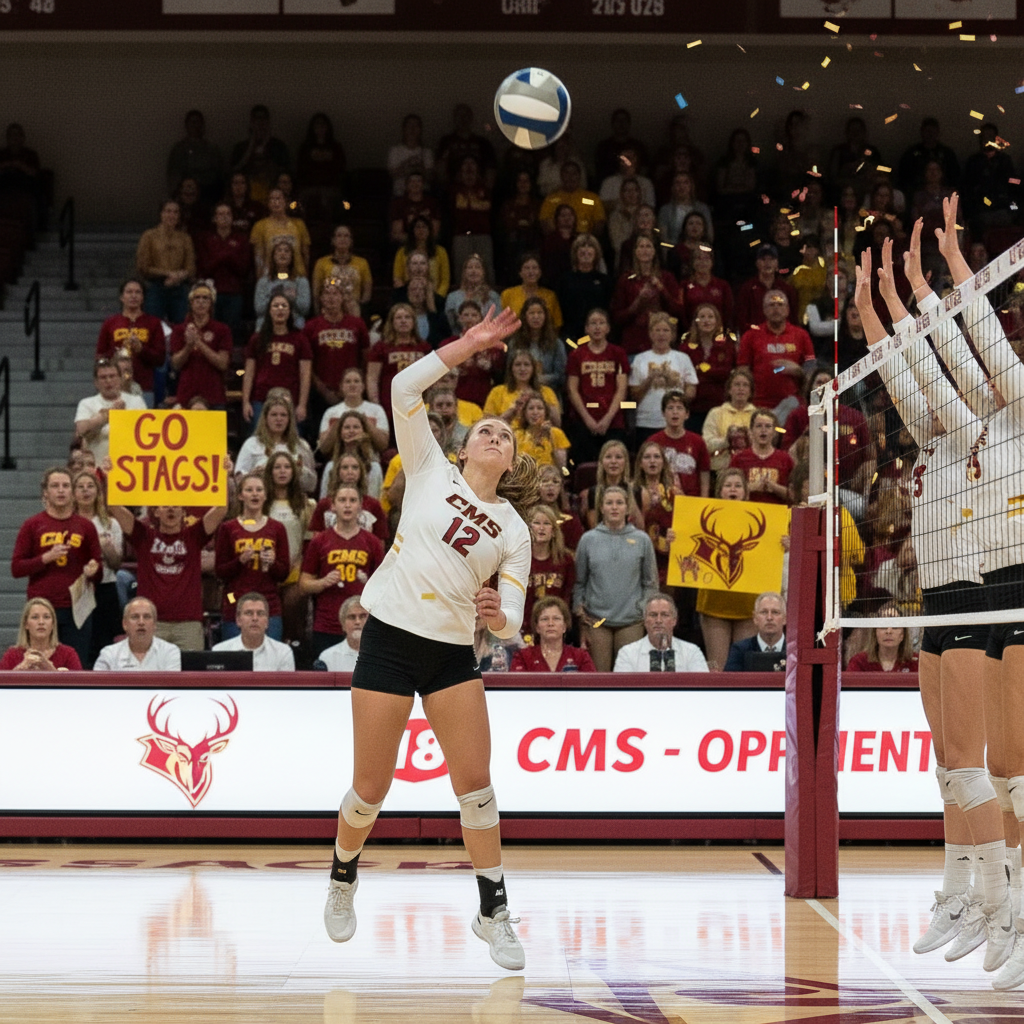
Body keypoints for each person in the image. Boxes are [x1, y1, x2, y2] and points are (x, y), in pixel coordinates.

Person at [322, 307, 535, 972]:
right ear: (466, 447)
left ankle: (493, 910)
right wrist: (465, 347)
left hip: (449, 655)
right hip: (387, 639)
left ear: (513, 459)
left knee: (476, 788)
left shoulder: (513, 530)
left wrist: (498, 613)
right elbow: (402, 390)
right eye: (487, 430)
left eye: (506, 435)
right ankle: (342, 875)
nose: (496, 436)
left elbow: (516, 624)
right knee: (368, 791)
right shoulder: (428, 468)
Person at [855, 208, 1016, 977]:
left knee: (1006, 766)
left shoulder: (1013, 415)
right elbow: (908, 366)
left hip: (1009, 592)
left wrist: (931, 279)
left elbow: (971, 338)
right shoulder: (953, 433)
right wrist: (875, 307)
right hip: (950, 595)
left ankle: (1010, 907)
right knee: (954, 762)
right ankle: (972, 896)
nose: (980, 374)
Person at [108, 474, 230, 652]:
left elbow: (221, 508)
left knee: (190, 678)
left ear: (184, 511)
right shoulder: (144, 536)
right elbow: (114, 507)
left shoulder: (193, 536)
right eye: (165, 506)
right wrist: (111, 473)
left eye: (176, 506)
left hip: (188, 624)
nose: (171, 510)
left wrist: (223, 474)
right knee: (151, 677)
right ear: (156, 511)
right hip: (152, 623)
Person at [11, 467, 102, 666]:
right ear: (46, 492)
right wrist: (46, 558)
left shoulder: (86, 526)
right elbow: (16, 568)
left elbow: (99, 571)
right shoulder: (32, 525)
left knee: (76, 665)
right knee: (37, 663)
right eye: (55, 486)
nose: (61, 490)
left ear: (72, 492)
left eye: (65, 486)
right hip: (42, 608)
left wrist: (93, 570)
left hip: (77, 608)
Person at [573, 485, 659, 672]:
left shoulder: (642, 540)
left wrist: (642, 609)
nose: (614, 507)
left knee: (629, 681)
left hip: (631, 621)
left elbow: (651, 583)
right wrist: (581, 615)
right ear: (601, 507)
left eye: (619, 503)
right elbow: (580, 582)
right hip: (597, 621)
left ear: (627, 508)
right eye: (609, 503)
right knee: (598, 680)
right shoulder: (588, 540)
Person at [300, 484, 385, 657]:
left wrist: (367, 582)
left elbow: (386, 587)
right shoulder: (319, 541)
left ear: (360, 506)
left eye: (352, 500)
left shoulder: (373, 542)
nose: (347, 505)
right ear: (333, 506)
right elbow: (303, 585)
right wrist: (323, 582)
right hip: (327, 624)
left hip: (363, 624)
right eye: (342, 500)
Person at [694, 468, 761, 671]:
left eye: (738, 486)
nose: (733, 489)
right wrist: (675, 538)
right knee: (717, 667)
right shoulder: (702, 517)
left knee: (745, 666)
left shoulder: (761, 519)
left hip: (747, 603)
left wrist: (782, 544)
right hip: (714, 603)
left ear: (745, 492)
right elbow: (689, 552)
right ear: (720, 491)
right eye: (728, 485)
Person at [215, 473, 290, 641]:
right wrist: (239, 561)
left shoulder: (277, 528)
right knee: (237, 662)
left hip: (269, 604)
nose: (255, 494)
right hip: (234, 602)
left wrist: (272, 563)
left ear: (265, 495)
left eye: (259, 490)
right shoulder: (228, 528)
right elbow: (220, 572)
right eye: (249, 490)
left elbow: (284, 573)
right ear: (241, 496)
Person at [564, 308, 629, 464]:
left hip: (613, 420)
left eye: (601, 323)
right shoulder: (577, 355)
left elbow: (622, 389)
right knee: (584, 465)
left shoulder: (618, 353)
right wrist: (588, 419)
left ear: (608, 328)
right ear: (586, 329)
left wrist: (607, 419)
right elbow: (572, 389)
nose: (597, 327)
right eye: (593, 323)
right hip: (583, 420)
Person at [71, 469, 123, 666]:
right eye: (80, 487)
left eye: (90, 486)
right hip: (79, 589)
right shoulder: (68, 523)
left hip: (105, 588)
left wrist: (106, 547)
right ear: (74, 492)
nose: (86, 491)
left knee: (103, 643)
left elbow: (117, 564)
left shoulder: (111, 524)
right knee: (79, 643)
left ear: (98, 491)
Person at [737, 290, 816, 416]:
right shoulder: (750, 336)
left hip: (793, 404)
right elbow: (742, 371)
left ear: (788, 309)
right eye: (771, 305)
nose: (776, 309)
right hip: (758, 405)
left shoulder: (801, 335)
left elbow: (813, 373)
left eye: (780, 305)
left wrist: (798, 371)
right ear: (764, 310)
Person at [242, 291, 312, 428]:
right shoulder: (257, 339)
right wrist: (245, 402)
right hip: (261, 399)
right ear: (269, 311)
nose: (280, 309)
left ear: (290, 311)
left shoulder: (300, 339)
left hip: (291, 399)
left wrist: (302, 405)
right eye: (276, 306)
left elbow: (305, 375)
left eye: (284, 306)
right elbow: (249, 373)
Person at [628, 311, 697, 446]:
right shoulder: (640, 359)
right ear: (650, 333)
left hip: (675, 423)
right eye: (657, 330)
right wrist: (649, 380)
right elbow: (633, 396)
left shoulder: (683, 358)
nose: (661, 334)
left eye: (665, 330)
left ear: (672, 334)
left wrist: (674, 382)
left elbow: (691, 393)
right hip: (646, 422)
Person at [95, 278, 166, 408]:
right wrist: (117, 353)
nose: (133, 295)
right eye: (129, 292)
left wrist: (141, 349)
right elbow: (100, 356)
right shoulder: (110, 323)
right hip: (114, 388)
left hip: (144, 387)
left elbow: (160, 359)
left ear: (143, 297)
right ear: (122, 297)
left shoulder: (153, 323)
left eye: (138, 292)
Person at [611, 234, 685, 358]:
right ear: (635, 251)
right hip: (634, 344)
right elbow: (617, 317)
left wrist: (662, 290)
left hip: (662, 345)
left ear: (655, 251)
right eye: (641, 246)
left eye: (648, 246)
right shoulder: (625, 280)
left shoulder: (667, 278)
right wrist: (638, 301)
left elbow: (678, 310)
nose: (645, 250)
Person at [236, 389, 317, 493]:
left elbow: (311, 485)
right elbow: (238, 480)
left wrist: (300, 472)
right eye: (274, 415)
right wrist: (252, 475)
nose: (279, 419)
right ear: (265, 418)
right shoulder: (251, 444)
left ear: (290, 419)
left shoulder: (302, 446)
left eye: (283, 415)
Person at [169, 281, 233, 410]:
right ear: (191, 303)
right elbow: (175, 364)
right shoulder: (179, 330)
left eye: (205, 298)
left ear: (211, 303)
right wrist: (188, 346)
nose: (201, 302)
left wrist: (199, 343)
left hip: (214, 396)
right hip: (186, 395)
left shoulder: (222, 329)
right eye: (197, 298)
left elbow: (222, 363)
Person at [74, 358, 148, 464]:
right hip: (98, 468)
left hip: (130, 466)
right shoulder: (87, 403)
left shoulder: (136, 401)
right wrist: (109, 414)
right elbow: (81, 430)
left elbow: (145, 432)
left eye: (112, 376)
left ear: (120, 379)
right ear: (96, 382)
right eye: (103, 377)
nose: (108, 381)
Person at [195, 201, 253, 333]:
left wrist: (220, 256)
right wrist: (227, 255)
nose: (224, 217)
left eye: (228, 214)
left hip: (234, 292)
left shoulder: (241, 240)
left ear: (232, 218)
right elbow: (205, 267)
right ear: (214, 218)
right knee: (210, 331)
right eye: (220, 214)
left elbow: (244, 268)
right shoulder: (206, 239)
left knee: (231, 331)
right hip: (211, 292)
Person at [136, 199, 195, 325]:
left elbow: (191, 267)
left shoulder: (185, 238)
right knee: (152, 326)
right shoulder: (149, 236)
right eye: (168, 211)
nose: (171, 215)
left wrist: (179, 276)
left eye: (175, 212)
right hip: (156, 286)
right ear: (161, 214)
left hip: (178, 287)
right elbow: (143, 266)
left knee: (181, 327)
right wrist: (168, 274)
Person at [613, 594, 709, 673]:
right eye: (653, 615)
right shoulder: (627, 653)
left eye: (664, 615)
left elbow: (702, 690)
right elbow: (623, 693)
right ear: (645, 621)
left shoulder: (692, 652)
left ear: (674, 620)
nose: (658, 620)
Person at [522, 504, 575, 636]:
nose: (541, 528)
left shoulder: (565, 560)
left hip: (554, 629)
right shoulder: (517, 558)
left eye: (546, 523)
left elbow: (568, 595)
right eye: (536, 523)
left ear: (553, 531)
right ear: (528, 528)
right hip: (521, 629)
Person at [648, 390, 710, 498]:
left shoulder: (698, 441)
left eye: (679, 408)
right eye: (670, 408)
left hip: (690, 500)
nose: (675, 412)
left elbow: (704, 474)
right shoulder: (653, 441)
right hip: (660, 499)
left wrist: (703, 500)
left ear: (687, 414)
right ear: (663, 413)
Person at [211, 591, 294, 671]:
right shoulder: (219, 651)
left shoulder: (283, 653)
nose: (255, 618)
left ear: (267, 622)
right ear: (238, 620)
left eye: (260, 613)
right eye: (249, 613)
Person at [510, 597, 594, 672]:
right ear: (537, 627)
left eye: (556, 619)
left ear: (565, 626)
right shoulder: (523, 657)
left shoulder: (581, 656)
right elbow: (515, 687)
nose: (550, 623)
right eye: (544, 619)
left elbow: (592, 687)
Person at [729, 407, 793, 506]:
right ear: (751, 431)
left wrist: (775, 487)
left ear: (774, 432)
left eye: (768, 426)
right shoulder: (739, 459)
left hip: (777, 514)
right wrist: (750, 487)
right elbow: (728, 492)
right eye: (759, 426)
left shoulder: (785, 459)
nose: (763, 430)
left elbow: (794, 495)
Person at [483, 350, 561, 429]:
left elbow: (557, 424)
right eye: (518, 365)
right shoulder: (497, 392)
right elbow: (487, 425)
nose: (522, 368)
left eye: (527, 365)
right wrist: (511, 412)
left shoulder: (546, 392)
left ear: (533, 369)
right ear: (511, 368)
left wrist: (542, 401)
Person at [230, 105, 290, 205]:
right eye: (257, 119)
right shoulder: (241, 147)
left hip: (272, 193)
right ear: (251, 122)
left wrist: (266, 145)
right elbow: (234, 171)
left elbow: (285, 172)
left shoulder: (279, 146)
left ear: (268, 122)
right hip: (248, 194)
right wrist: (251, 146)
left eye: (263, 119)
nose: (260, 123)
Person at [1, 597, 82, 671]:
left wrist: (50, 670)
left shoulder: (68, 654)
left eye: (46, 617)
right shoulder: (12, 655)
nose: (41, 622)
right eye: (35, 617)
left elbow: (80, 683)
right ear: (26, 624)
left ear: (53, 624)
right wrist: (22, 668)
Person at [557, 233, 611, 343]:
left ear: (596, 252)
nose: (586, 250)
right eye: (582, 246)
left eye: (590, 246)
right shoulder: (565, 280)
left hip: (598, 337)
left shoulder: (605, 281)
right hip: (571, 338)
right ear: (575, 252)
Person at [505, 296, 566, 392]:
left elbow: (561, 375)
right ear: (525, 316)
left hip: (548, 393)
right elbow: (509, 372)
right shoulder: (515, 343)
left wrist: (538, 379)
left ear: (546, 316)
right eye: (532, 313)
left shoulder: (556, 344)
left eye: (540, 313)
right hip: (519, 392)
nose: (536, 317)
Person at [735, 245, 799, 335]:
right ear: (757, 263)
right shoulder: (747, 289)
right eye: (763, 259)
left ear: (777, 263)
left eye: (771, 259)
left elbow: (793, 318)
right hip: (756, 338)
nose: (767, 263)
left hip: (783, 339)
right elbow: (742, 320)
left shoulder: (786, 289)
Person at [295, 112, 346, 224]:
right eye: (317, 125)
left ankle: (328, 230)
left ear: (328, 127)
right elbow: (301, 171)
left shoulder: (336, 147)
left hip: (330, 188)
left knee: (327, 199)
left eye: (323, 125)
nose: (320, 128)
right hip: (309, 187)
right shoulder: (305, 148)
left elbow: (340, 170)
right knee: (305, 199)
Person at [249, 187, 311, 279]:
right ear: (268, 203)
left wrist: (304, 275)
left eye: (278, 198)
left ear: (286, 201)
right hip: (270, 277)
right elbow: (258, 256)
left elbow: (305, 253)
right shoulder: (259, 226)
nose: (275, 202)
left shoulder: (299, 224)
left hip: (296, 276)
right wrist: (261, 279)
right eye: (272, 199)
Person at [312, 224, 373, 308]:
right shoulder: (321, 263)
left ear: (351, 241)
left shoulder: (362, 263)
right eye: (339, 235)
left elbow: (367, 291)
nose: (343, 239)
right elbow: (316, 293)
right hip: (329, 308)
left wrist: (361, 308)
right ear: (333, 240)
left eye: (346, 236)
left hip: (354, 309)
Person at [254, 239, 311, 330]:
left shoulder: (301, 281)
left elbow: (304, 309)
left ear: (292, 256)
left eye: (286, 251)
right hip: (267, 325)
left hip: (295, 323)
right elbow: (259, 309)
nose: (283, 253)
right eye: (279, 250)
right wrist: (275, 298)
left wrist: (293, 298)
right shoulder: (263, 282)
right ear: (273, 256)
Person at [539, 161, 605, 237]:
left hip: (584, 239)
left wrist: (588, 240)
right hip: (559, 240)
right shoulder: (551, 199)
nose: (570, 177)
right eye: (566, 173)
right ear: (561, 175)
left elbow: (600, 222)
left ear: (579, 176)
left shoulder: (592, 199)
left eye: (574, 173)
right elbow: (544, 222)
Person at [724, 591, 787, 671]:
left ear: (785, 618)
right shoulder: (740, 650)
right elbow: (730, 682)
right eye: (764, 612)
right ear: (755, 618)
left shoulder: (794, 651)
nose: (769, 617)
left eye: (775, 612)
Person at [500, 253, 563, 330]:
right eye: (527, 268)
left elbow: (557, 324)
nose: (531, 272)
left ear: (540, 272)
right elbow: (501, 323)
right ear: (520, 273)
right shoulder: (507, 294)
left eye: (535, 268)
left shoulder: (550, 296)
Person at [393, 215, 451, 298]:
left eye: (424, 227)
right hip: (409, 297)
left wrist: (437, 297)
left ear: (429, 230)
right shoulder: (402, 252)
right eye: (417, 227)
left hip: (434, 296)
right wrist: (407, 296)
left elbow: (445, 281)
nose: (421, 230)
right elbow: (397, 279)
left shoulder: (441, 252)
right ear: (412, 231)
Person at [444, 254, 501, 333]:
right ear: (464, 272)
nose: (473, 271)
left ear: (484, 272)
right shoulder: (453, 297)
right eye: (470, 267)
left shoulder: (493, 296)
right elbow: (450, 324)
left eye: (477, 267)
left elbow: (497, 323)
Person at [847, 615, 918, 673]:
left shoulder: (917, 663)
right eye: (883, 626)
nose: (889, 631)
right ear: (875, 633)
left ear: (902, 635)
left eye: (895, 627)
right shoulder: (859, 662)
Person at [315, 597, 368, 672]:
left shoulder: (384, 655)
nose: (357, 622)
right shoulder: (328, 657)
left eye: (362, 616)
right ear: (343, 624)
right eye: (352, 617)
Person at [387, 113, 434, 196]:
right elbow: (393, 175)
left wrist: (420, 168)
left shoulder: (427, 152)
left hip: (423, 194)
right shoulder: (395, 151)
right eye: (409, 125)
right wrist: (408, 165)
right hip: (401, 194)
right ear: (404, 129)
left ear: (420, 130)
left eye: (416, 126)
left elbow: (430, 178)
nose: (412, 129)